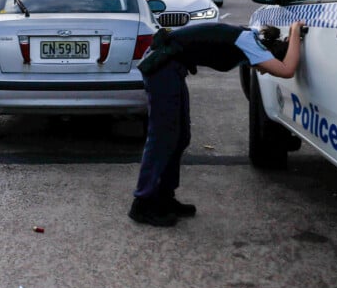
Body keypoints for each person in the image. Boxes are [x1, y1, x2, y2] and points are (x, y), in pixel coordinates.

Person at [129, 21, 306, 227]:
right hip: (161, 67)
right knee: (164, 137)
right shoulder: (251, 44)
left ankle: (164, 197)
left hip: (172, 68)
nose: (263, 72)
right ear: (269, 54)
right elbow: (286, 70)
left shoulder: (250, 40)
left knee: (181, 136)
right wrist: (295, 31)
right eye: (265, 68)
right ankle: (142, 203)